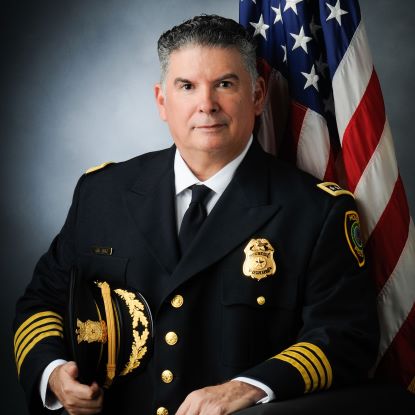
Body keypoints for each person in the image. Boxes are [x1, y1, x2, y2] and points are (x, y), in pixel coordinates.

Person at [13, 14, 379, 415]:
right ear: (162, 101)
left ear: (257, 96)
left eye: (225, 84)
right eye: (187, 86)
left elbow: (345, 337)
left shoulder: (316, 211)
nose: (207, 104)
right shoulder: (102, 193)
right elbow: (42, 302)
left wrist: (249, 387)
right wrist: (52, 373)